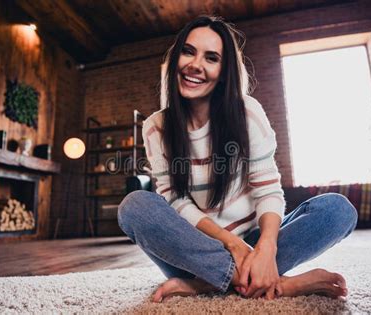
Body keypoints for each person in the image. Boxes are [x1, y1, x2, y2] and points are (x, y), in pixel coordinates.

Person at [118, 16, 358, 303]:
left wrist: (266, 248)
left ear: (224, 71)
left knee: (337, 210)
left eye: (211, 58)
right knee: (134, 207)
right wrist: (230, 243)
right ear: (176, 58)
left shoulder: (247, 112)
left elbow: (267, 190)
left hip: (252, 244)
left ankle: (205, 284)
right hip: (194, 250)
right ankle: (276, 284)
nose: (196, 64)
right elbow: (176, 200)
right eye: (188, 51)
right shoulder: (155, 128)